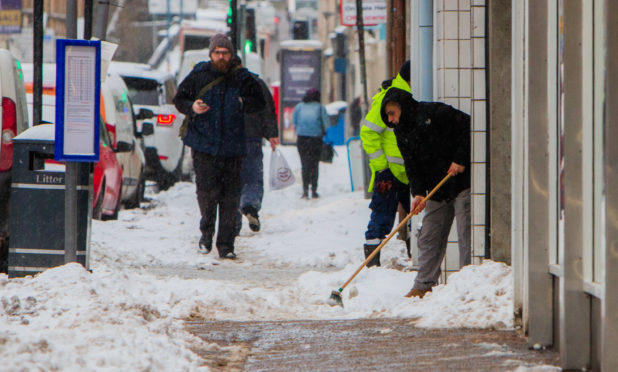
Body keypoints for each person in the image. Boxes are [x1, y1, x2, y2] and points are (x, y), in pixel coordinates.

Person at [173, 33, 264, 259]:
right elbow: (179, 99)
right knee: (207, 194)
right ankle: (206, 235)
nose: (221, 57)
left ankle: (226, 245)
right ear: (211, 54)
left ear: (231, 54)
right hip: (204, 145)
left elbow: (259, 101)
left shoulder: (242, 78)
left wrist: (243, 103)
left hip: (233, 147)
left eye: (225, 53)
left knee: (230, 197)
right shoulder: (200, 74)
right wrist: (192, 106)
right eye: (217, 53)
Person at [380, 86, 471, 298]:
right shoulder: (401, 132)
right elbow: (411, 165)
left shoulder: (435, 113)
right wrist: (419, 193)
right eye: (387, 117)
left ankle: (470, 284)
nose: (391, 120)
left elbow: (468, 126)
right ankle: (423, 285)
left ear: (402, 106)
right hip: (437, 190)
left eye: (392, 113)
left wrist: (460, 159)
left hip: (460, 183)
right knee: (429, 236)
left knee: (467, 233)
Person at [360, 61, 411, 267]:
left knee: (416, 215)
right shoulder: (389, 99)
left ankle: (416, 257)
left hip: (410, 170)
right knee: (381, 216)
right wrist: (382, 167)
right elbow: (369, 132)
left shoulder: (411, 96)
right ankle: (372, 263)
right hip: (389, 172)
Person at [237, 74, 279, 233]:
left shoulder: (224, 82)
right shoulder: (257, 83)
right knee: (253, 175)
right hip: (252, 137)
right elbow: (267, 109)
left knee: (232, 179)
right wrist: (271, 133)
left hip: (229, 139)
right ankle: (250, 205)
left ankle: (233, 221)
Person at [292, 88, 330, 199]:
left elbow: (294, 121)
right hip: (315, 140)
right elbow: (327, 124)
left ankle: (304, 191)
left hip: (302, 139)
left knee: (305, 164)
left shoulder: (299, 107)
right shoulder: (320, 108)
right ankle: (314, 190)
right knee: (314, 165)